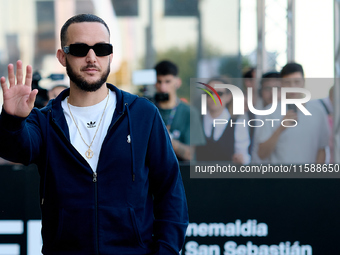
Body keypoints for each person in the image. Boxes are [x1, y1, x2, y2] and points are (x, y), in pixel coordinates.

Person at [0, 14, 188, 255]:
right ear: (62, 56)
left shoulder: (143, 114)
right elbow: (16, 148)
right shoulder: (45, 120)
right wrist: (12, 119)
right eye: (79, 49)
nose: (91, 57)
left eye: (101, 48)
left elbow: (170, 191)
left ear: (110, 55)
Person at [253, 63, 329, 164]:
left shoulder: (318, 111)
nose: (293, 86)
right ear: (281, 84)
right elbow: (261, 154)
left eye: (297, 82)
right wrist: (280, 129)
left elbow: (321, 150)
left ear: (303, 82)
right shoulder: (270, 112)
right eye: (287, 82)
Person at [154, 60, 205, 161]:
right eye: (159, 82)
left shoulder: (189, 112)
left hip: (181, 173)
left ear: (178, 82)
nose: (163, 88)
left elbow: (189, 154)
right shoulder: (149, 110)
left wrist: (167, 138)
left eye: (167, 81)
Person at [196, 77, 251, 164]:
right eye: (209, 93)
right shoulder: (196, 122)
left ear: (228, 97)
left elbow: (244, 156)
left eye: (219, 93)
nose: (213, 97)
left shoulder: (238, 125)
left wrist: (242, 160)